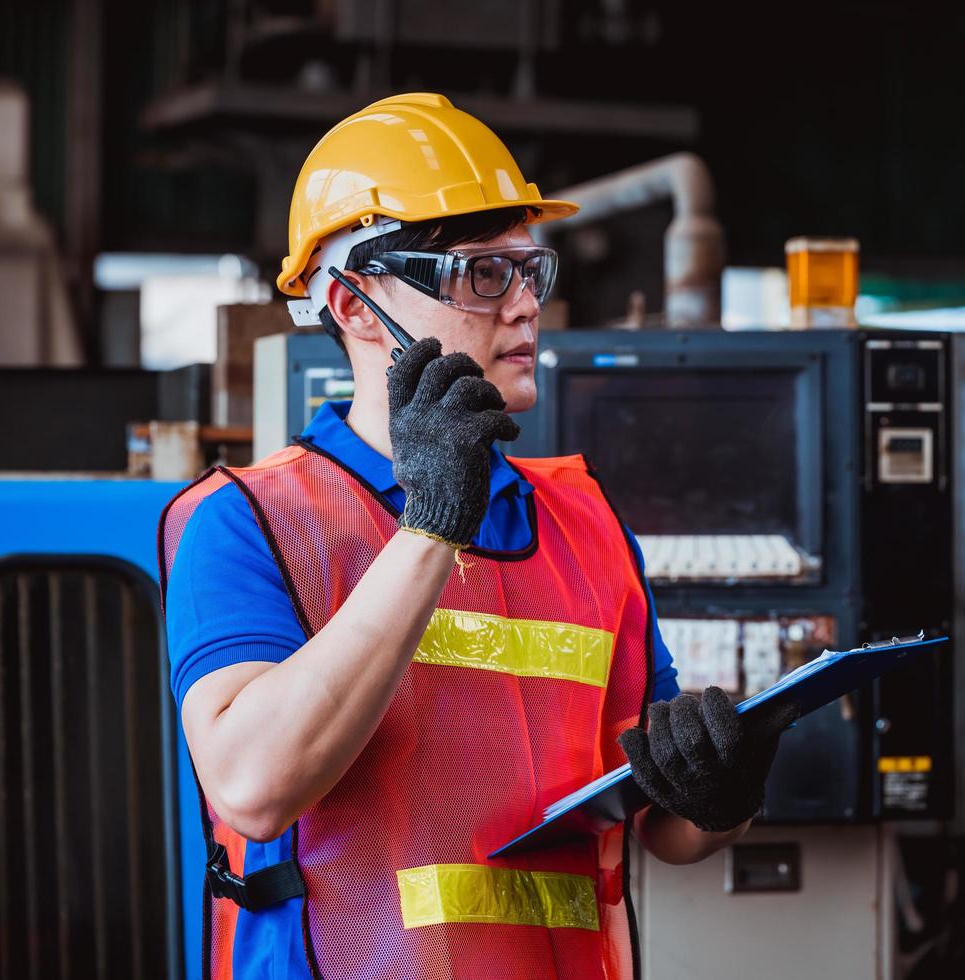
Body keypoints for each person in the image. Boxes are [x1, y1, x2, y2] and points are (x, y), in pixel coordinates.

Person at [160, 93, 795, 979]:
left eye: (529, 271)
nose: (527, 307)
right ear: (351, 304)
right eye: (481, 275)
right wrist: (430, 525)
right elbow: (255, 788)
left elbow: (663, 828)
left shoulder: (584, 522)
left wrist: (724, 795)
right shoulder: (248, 521)